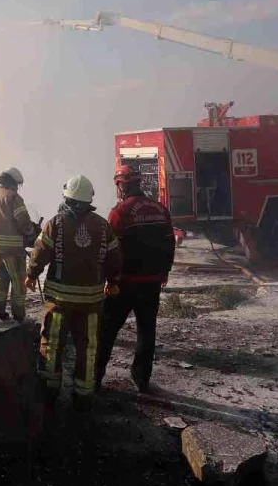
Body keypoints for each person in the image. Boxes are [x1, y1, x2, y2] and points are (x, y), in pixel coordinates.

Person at [25, 175, 121, 409]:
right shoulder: (102, 225)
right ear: (89, 200)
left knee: (53, 342)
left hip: (60, 301)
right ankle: (84, 394)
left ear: (66, 198)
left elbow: (40, 252)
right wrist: (114, 281)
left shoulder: (55, 223)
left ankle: (49, 390)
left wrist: (31, 274)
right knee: (88, 347)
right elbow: (115, 256)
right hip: (91, 301)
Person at [95, 164, 176, 393]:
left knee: (107, 331)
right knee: (147, 330)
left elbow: (110, 250)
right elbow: (170, 243)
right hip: (152, 282)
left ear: (121, 185)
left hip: (125, 283)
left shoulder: (119, 213)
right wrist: (165, 271)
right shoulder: (160, 209)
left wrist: (108, 279)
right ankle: (142, 379)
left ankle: (95, 376)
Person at [0, 167, 38, 321]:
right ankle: (18, 314)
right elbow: (23, 221)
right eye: (17, 184)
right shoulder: (14, 198)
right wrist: (32, 232)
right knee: (19, 282)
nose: (17, 188)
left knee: (0, 279)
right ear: (12, 182)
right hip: (13, 250)